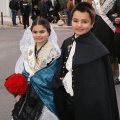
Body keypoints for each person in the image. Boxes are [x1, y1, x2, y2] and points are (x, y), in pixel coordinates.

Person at [52, 2, 120, 120]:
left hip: (88, 106)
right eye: (75, 20)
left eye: (84, 22)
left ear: (92, 23)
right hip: (69, 101)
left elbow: (100, 88)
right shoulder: (67, 43)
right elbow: (62, 68)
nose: (79, 25)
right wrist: (60, 79)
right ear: (71, 20)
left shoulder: (98, 50)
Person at [11, 18, 61, 120]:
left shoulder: (53, 52)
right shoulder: (29, 49)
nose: (38, 35)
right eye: (35, 32)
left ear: (48, 32)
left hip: (44, 93)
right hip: (27, 92)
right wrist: (20, 81)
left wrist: (33, 79)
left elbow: (51, 73)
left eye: (42, 32)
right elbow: (25, 69)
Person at [91, 0, 120, 84]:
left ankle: (108, 70)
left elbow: (113, 14)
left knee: (108, 49)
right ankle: (97, 70)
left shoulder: (113, 1)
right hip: (96, 27)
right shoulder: (95, 2)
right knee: (96, 49)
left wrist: (114, 18)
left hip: (108, 29)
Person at [110, 0, 120, 84]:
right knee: (118, 53)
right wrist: (114, 19)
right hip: (118, 31)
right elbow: (111, 13)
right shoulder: (117, 1)